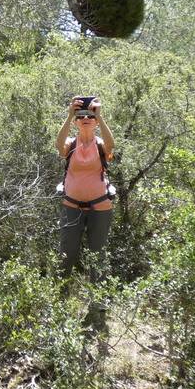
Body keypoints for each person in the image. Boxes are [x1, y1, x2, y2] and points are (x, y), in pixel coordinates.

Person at [55, 95, 116, 281]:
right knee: (67, 253)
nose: (86, 119)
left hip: (100, 207)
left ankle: (98, 305)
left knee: (98, 255)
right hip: (71, 205)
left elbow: (111, 146)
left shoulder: (100, 145)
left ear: (96, 122)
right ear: (75, 122)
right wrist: (68, 115)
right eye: (80, 117)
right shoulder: (71, 144)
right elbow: (59, 146)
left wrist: (100, 116)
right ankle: (60, 297)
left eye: (90, 116)